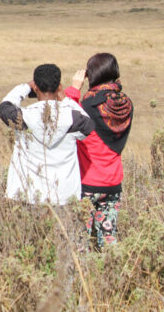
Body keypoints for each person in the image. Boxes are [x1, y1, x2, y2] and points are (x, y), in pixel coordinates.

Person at [0, 64, 96, 205]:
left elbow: (4, 106)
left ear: (35, 87)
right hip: (64, 197)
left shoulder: (23, 117)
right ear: (59, 87)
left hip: (27, 196)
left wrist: (26, 87)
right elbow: (88, 123)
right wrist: (65, 98)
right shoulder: (72, 118)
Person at [64, 53, 133, 247]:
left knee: (79, 242)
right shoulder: (126, 104)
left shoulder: (87, 106)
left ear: (91, 75)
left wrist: (74, 88)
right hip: (113, 181)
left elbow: (64, 117)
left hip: (87, 182)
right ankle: (113, 267)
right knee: (109, 241)